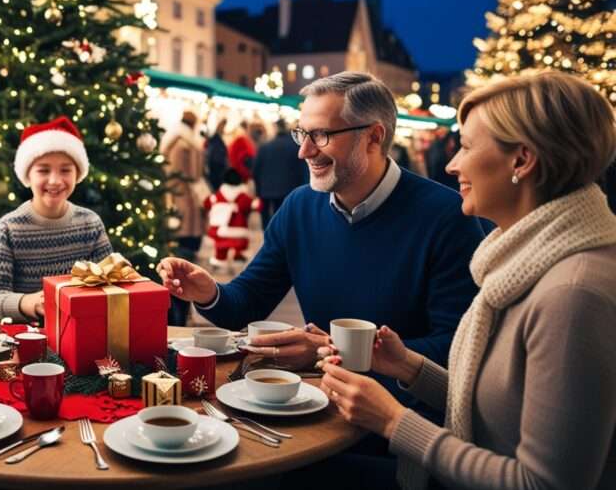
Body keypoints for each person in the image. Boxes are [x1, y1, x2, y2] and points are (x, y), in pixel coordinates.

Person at [318, 72, 616, 490]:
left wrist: (392, 420)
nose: (452, 163)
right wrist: (411, 367)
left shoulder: (572, 295)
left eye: (468, 146)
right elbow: (501, 410)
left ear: (522, 160)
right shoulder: (527, 261)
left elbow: (544, 483)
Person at [157, 71, 484, 398]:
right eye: (303, 134)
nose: (305, 152)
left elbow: (457, 345)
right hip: (321, 402)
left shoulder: (446, 216)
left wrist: (327, 350)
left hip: (401, 421)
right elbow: (248, 302)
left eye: (322, 135)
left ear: (373, 137)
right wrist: (208, 292)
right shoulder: (299, 206)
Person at [0, 116, 113, 324]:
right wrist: (27, 302)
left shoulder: (90, 224)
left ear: (77, 173)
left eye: (65, 170)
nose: (55, 180)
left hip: (81, 332)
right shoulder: (8, 228)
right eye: (43, 170)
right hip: (23, 340)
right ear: (28, 175)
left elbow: (110, 284)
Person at [161, 109, 207, 262]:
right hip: (186, 186)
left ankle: (177, 246)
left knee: (176, 217)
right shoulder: (190, 142)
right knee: (190, 219)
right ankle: (188, 249)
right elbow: (195, 173)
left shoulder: (171, 137)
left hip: (171, 184)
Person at [252, 118, 308, 228]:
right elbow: (303, 170)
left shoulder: (264, 147)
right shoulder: (295, 147)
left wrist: (258, 190)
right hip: (289, 190)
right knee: (284, 218)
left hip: (266, 190)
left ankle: (268, 237)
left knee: (266, 217)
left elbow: (255, 170)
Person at [204, 168, 259, 270]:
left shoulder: (219, 194)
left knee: (221, 246)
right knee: (240, 244)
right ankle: (238, 257)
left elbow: (207, 203)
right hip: (238, 228)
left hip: (221, 227)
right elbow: (253, 205)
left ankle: (219, 260)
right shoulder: (243, 195)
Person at [204, 117, 229, 192]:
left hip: (215, 172)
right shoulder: (216, 141)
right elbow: (217, 159)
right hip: (216, 173)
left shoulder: (214, 141)